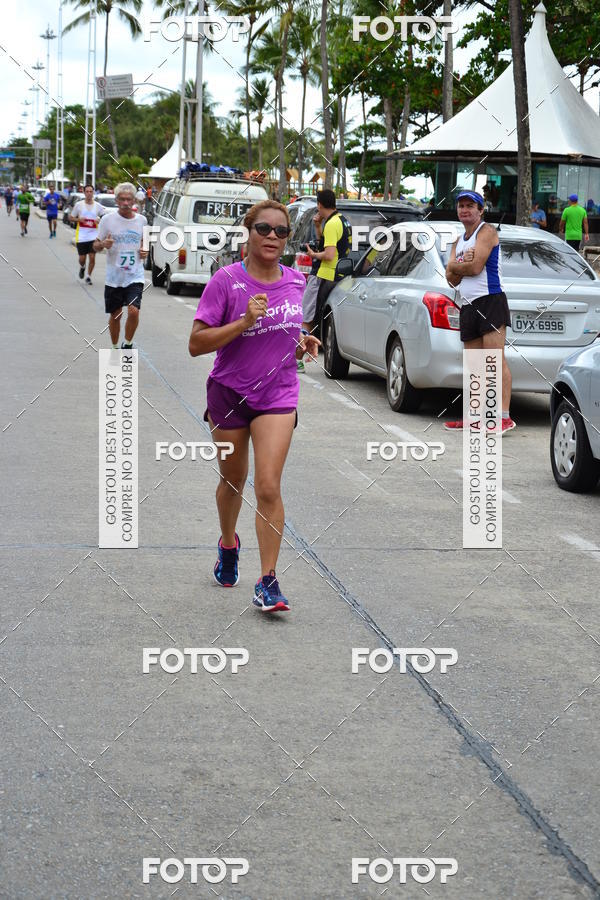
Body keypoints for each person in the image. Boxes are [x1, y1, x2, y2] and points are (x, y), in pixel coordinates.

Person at [188, 199, 320, 613]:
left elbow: (286, 331)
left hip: (277, 395)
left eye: (282, 232)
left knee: (267, 485)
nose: (273, 238)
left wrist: (301, 342)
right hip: (228, 394)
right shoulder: (225, 282)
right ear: (248, 232)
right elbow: (196, 344)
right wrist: (243, 322)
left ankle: (268, 581)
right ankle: (229, 543)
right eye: (265, 229)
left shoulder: (296, 281)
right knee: (232, 480)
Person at [443, 190, 515, 434]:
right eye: (461, 206)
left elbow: (474, 268)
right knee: (474, 365)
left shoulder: (487, 232)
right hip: (468, 304)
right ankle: (474, 416)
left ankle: (503, 417)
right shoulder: (458, 241)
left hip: (491, 301)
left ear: (481, 210)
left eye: (470, 206)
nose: (465, 210)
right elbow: (450, 279)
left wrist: (456, 265)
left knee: (493, 361)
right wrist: (456, 265)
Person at [94, 182, 148, 350]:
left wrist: (144, 250)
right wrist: (104, 244)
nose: (125, 203)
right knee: (116, 315)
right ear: (116, 200)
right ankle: (115, 346)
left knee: (133, 311)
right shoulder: (107, 220)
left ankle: (128, 344)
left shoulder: (142, 220)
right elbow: (95, 246)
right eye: (122, 199)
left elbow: (145, 243)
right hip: (114, 277)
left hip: (135, 275)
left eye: (129, 199)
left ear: (134, 201)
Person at [302, 189, 351, 343]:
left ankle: (299, 358)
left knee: (307, 316)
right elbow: (328, 245)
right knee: (318, 316)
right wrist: (318, 227)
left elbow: (328, 255)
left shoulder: (332, 224)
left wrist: (313, 255)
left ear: (320, 204)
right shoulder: (342, 220)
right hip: (338, 276)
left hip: (323, 275)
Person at [71, 184, 106, 284]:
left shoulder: (98, 206)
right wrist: (78, 219)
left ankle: (88, 276)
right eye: (87, 191)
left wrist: (99, 220)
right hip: (81, 235)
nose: (89, 193)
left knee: (92, 257)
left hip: (93, 236)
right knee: (82, 258)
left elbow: (104, 217)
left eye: (91, 191)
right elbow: (70, 217)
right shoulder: (79, 205)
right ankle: (82, 267)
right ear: (84, 192)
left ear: (93, 192)